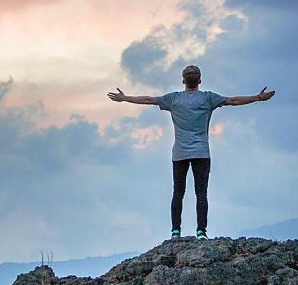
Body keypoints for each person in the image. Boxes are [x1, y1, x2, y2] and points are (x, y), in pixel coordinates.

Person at [108, 65, 274, 239]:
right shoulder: (209, 98)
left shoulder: (174, 99)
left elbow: (148, 100)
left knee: (178, 192)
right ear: (200, 80)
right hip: (201, 152)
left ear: (183, 80)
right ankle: (201, 231)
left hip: (180, 153)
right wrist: (258, 97)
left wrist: (125, 98)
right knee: (201, 192)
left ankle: (175, 231)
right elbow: (233, 101)